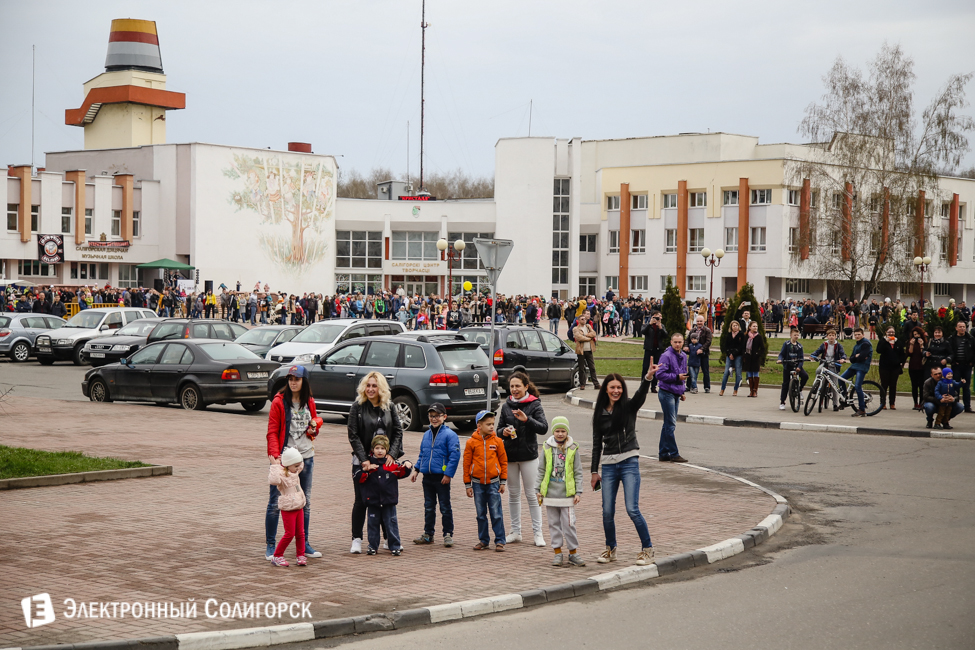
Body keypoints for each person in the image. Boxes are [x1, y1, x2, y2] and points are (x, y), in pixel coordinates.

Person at [591, 369, 658, 566]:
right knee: (607, 511)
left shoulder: (629, 407)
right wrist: (594, 471)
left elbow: (640, 396)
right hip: (609, 466)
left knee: (632, 509)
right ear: (606, 390)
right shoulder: (600, 413)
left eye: (619, 387)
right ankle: (610, 549)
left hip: (629, 462)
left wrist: (647, 378)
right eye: (612, 387)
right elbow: (596, 444)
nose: (616, 390)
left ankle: (648, 549)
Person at [265, 366, 322, 561]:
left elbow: (312, 427)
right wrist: (275, 456)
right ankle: (271, 545)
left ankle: (303, 544)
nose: (293, 382)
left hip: (306, 458)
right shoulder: (279, 402)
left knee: (303, 502)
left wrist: (314, 430)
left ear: (304, 381)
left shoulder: (309, 402)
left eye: (297, 378)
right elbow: (272, 430)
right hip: (285, 461)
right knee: (275, 502)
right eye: (290, 378)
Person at [347, 372, 404, 554]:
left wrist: (393, 455)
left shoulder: (389, 406)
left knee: (384, 500)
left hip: (383, 462)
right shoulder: (357, 407)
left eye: (374, 386)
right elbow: (353, 435)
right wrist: (364, 460)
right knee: (361, 501)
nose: (370, 389)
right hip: (362, 461)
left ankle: (388, 539)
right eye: (368, 385)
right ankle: (357, 539)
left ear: (381, 388)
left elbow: (398, 432)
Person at [496, 371, 548, 546]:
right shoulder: (506, 406)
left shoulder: (534, 404)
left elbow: (543, 428)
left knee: (533, 495)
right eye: (512, 386)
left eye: (518, 386)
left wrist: (527, 420)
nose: (515, 389)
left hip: (528, 456)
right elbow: (497, 430)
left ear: (526, 386)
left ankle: (538, 533)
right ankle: (515, 531)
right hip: (510, 456)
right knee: (513, 494)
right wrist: (503, 432)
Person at [534, 416, 585, 567]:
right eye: (557, 431)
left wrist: (578, 492)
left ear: (567, 432)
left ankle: (573, 553)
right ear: (553, 432)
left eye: (563, 431)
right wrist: (538, 489)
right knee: (553, 524)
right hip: (550, 494)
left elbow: (578, 471)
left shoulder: (573, 448)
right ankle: (557, 553)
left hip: (567, 494)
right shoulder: (547, 447)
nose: (560, 434)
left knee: (569, 524)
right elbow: (541, 469)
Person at [411, 403, 460, 548]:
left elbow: (454, 456)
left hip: (442, 478)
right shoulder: (426, 434)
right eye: (431, 416)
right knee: (428, 506)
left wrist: (448, 474)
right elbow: (423, 454)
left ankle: (448, 534)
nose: (434, 419)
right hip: (427, 477)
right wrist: (416, 469)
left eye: (437, 416)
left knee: (445, 506)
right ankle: (428, 534)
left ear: (444, 417)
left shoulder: (450, 435)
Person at [356, 435, 413, 555]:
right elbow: (358, 478)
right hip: (373, 500)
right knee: (372, 524)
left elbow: (401, 471)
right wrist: (366, 470)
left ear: (387, 450)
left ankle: (395, 546)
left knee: (391, 523)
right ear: (372, 450)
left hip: (388, 500)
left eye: (382, 448)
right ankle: (372, 546)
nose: (380, 451)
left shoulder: (391, 465)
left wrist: (407, 465)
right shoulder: (369, 464)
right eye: (377, 448)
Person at [464, 410, 508, 552]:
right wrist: (467, 484)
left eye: (492, 424)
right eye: (488, 424)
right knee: (480, 514)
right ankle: (483, 540)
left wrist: (503, 481)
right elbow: (466, 463)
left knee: (496, 513)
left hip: (494, 483)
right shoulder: (471, 442)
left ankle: (500, 540)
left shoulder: (498, 441)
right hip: (477, 484)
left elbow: (503, 462)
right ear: (479, 425)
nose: (491, 427)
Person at [656, 333, 689, 462]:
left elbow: (683, 375)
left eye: (680, 342)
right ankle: (674, 453)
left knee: (668, 424)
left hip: (676, 393)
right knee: (671, 424)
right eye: (675, 342)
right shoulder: (666, 356)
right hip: (666, 392)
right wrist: (676, 378)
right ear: (671, 342)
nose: (677, 344)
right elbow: (660, 374)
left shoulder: (684, 356)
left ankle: (663, 453)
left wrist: (682, 391)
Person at [811, 329, 848, 410]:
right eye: (830, 335)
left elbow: (843, 353)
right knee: (818, 371)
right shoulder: (824, 344)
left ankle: (835, 404)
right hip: (824, 364)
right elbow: (818, 351)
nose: (831, 337)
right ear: (827, 336)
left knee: (834, 385)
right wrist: (813, 355)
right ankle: (816, 385)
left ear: (835, 337)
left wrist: (843, 359)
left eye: (833, 335)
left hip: (834, 365)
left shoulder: (838, 345)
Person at [843, 328, 873, 417]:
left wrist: (857, 357)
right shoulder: (856, 345)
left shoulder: (866, 344)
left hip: (862, 367)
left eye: (859, 334)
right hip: (854, 366)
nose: (857, 336)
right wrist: (856, 356)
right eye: (855, 335)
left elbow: (861, 357)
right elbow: (851, 359)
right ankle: (844, 398)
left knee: (857, 386)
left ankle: (862, 409)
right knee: (841, 379)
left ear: (863, 334)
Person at [946, 321, 975, 413]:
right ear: (956, 328)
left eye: (963, 327)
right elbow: (949, 351)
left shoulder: (971, 338)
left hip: (967, 366)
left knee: (966, 387)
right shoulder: (952, 339)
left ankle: (967, 406)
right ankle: (955, 405)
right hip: (956, 366)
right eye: (960, 327)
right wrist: (953, 361)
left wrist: (972, 363)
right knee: (956, 386)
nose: (962, 328)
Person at [777, 327, 808, 410]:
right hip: (788, 365)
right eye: (795, 335)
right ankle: (782, 401)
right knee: (785, 384)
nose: (796, 336)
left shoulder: (799, 346)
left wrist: (799, 367)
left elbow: (801, 358)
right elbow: (782, 354)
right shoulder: (786, 344)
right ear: (791, 335)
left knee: (805, 376)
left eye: (798, 335)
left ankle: (800, 389)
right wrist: (780, 359)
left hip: (797, 365)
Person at [877, 326, 905, 410]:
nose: (891, 334)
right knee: (884, 385)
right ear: (886, 332)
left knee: (893, 385)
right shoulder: (883, 341)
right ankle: (883, 403)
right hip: (884, 367)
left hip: (895, 367)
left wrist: (899, 362)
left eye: (892, 332)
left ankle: (892, 403)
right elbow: (878, 350)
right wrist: (886, 341)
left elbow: (902, 354)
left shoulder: (898, 342)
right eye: (889, 332)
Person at [642, 311, 668, 392]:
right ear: (653, 317)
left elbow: (666, 335)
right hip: (649, 348)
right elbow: (643, 332)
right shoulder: (648, 325)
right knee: (645, 367)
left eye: (659, 317)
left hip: (658, 349)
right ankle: (643, 385)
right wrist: (650, 324)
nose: (658, 318)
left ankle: (654, 386)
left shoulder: (661, 326)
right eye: (656, 317)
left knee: (656, 368)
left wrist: (660, 327)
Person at [573, 312, 599, 390]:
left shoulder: (588, 326)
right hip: (581, 351)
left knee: (592, 367)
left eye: (584, 319)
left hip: (589, 349)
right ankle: (582, 384)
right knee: (581, 368)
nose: (584, 320)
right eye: (582, 319)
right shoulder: (576, 329)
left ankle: (596, 384)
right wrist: (588, 338)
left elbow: (594, 333)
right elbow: (579, 338)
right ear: (579, 320)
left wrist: (586, 335)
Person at [687, 315, 713, 393]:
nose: (699, 323)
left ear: (704, 321)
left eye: (700, 321)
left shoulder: (707, 330)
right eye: (698, 321)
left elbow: (708, 341)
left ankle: (707, 387)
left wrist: (701, 349)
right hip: (693, 354)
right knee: (691, 371)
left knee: (705, 370)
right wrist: (686, 346)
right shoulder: (693, 330)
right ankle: (689, 386)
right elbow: (687, 340)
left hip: (703, 354)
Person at [905, 326, 928, 410]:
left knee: (922, 385)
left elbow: (924, 354)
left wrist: (921, 345)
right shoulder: (910, 342)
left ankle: (922, 402)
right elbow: (909, 353)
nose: (916, 336)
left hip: (922, 366)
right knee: (914, 385)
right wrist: (911, 344)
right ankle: (915, 403)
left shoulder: (925, 342)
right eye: (914, 334)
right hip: (913, 366)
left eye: (918, 334)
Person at [741, 321, 766, 398]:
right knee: (749, 374)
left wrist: (757, 354)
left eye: (756, 326)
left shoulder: (759, 337)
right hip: (748, 358)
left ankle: (755, 390)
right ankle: (751, 390)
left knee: (755, 373)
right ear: (749, 327)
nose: (755, 328)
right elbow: (743, 346)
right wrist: (744, 354)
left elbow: (762, 348)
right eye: (754, 326)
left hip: (755, 358)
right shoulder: (746, 336)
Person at [720, 320, 744, 397]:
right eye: (734, 326)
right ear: (731, 327)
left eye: (736, 325)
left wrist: (734, 353)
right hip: (729, 355)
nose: (735, 327)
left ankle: (735, 389)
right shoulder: (729, 335)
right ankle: (722, 389)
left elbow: (741, 346)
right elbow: (726, 345)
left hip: (738, 355)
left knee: (738, 373)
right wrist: (729, 354)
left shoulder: (741, 335)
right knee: (726, 372)